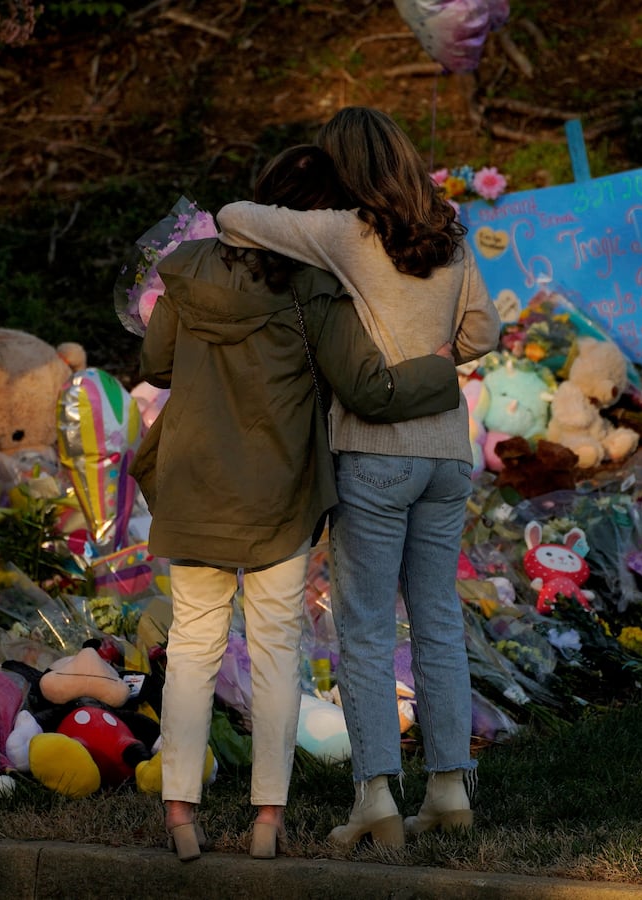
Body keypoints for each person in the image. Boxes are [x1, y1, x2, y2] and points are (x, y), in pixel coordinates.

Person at [132, 144, 462, 863]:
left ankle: (182, 815)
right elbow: (365, 387)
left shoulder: (184, 271)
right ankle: (265, 822)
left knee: (191, 647)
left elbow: (155, 364)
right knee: (279, 650)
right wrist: (441, 375)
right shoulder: (313, 285)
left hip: (192, 485)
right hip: (277, 489)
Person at [216, 106, 501, 849]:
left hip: (374, 452)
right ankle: (449, 788)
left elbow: (232, 217)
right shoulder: (451, 234)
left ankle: (375, 798)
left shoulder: (344, 233)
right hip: (446, 452)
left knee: (367, 630)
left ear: (345, 169)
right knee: (437, 617)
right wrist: (435, 359)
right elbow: (484, 333)